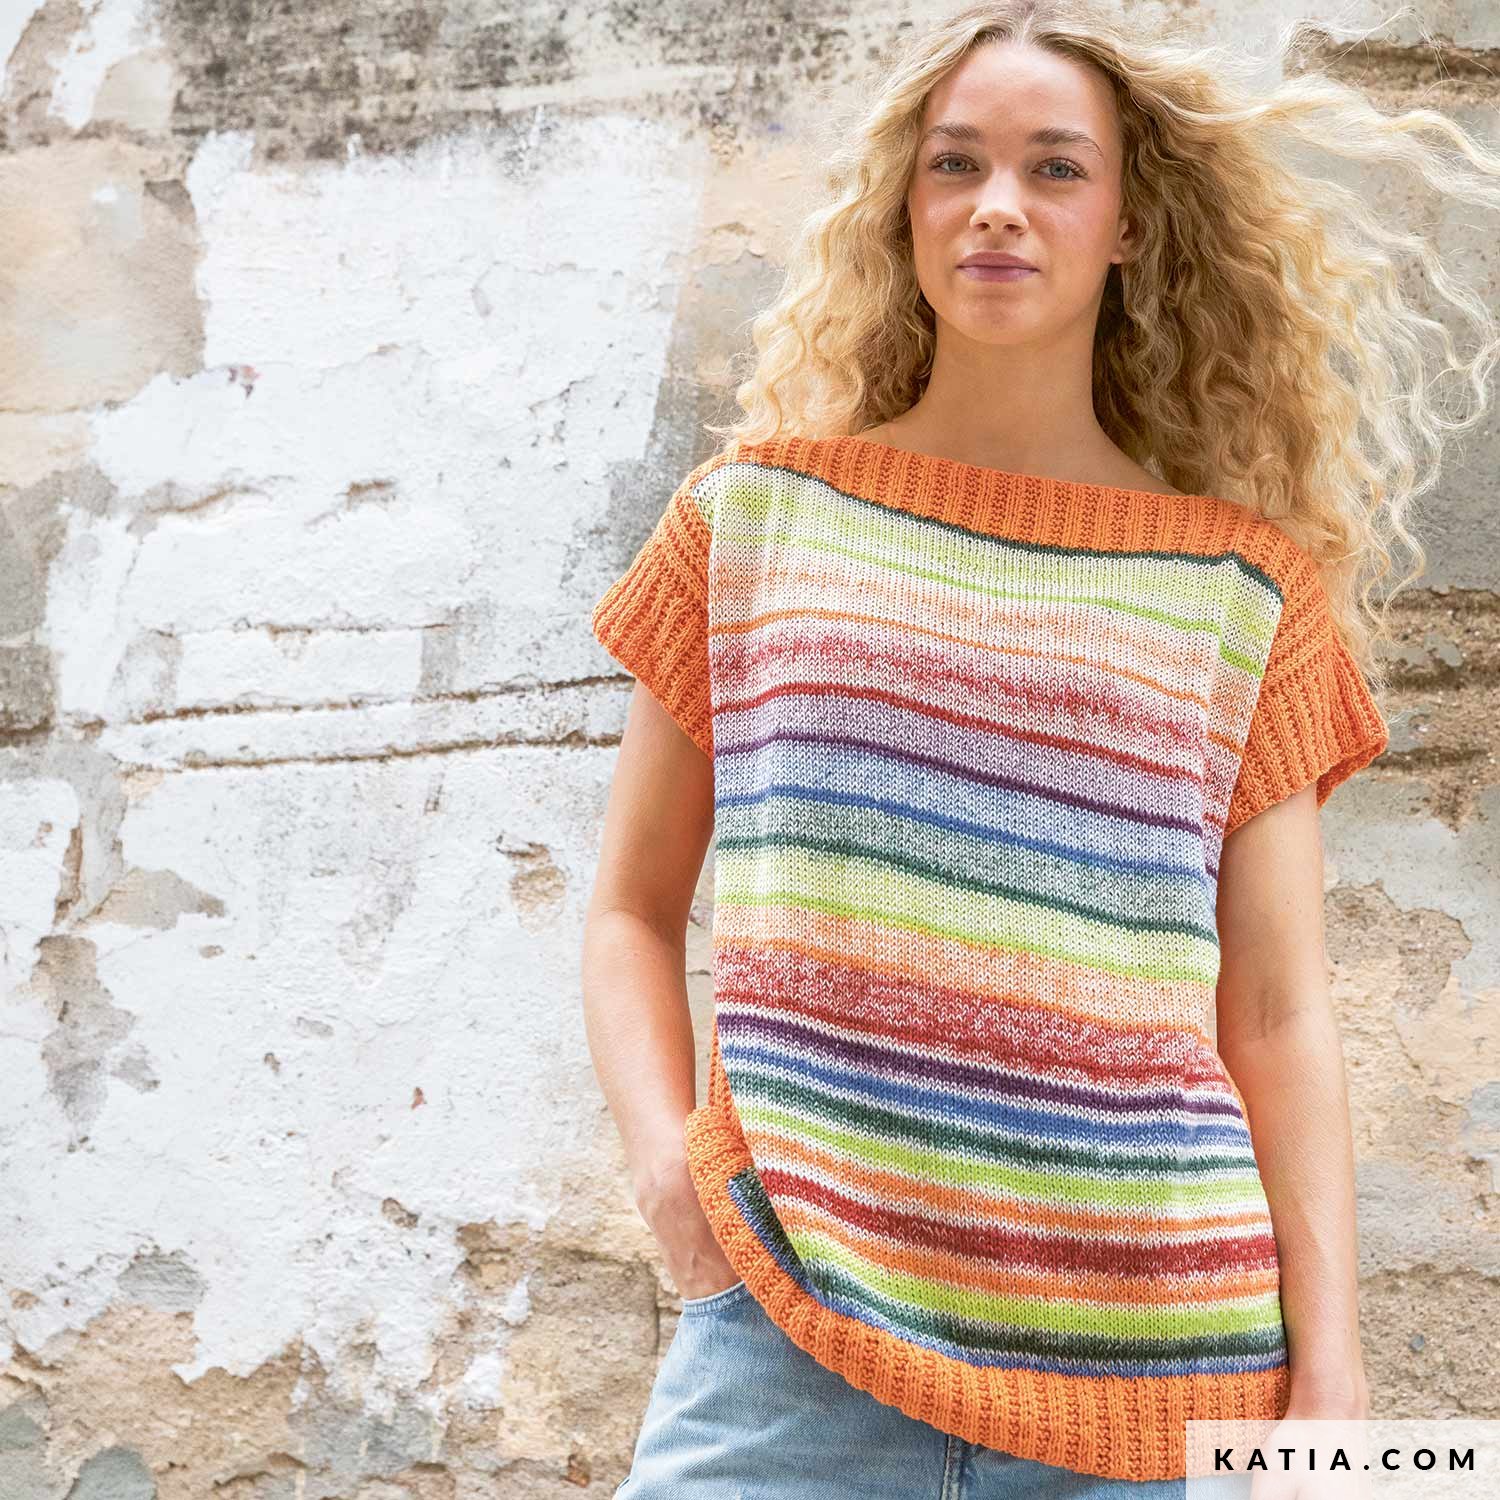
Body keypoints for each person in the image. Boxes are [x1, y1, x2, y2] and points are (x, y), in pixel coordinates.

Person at [579, 2, 1498, 1496]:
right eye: (957, 163)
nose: (998, 205)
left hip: (1164, 1377)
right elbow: (631, 904)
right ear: (905, 207)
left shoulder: (1239, 592)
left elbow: (1276, 1010)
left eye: (1055, 168)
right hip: (791, 1337)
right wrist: (666, 1171)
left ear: (1129, 224)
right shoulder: (748, 523)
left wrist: (1333, 1372)